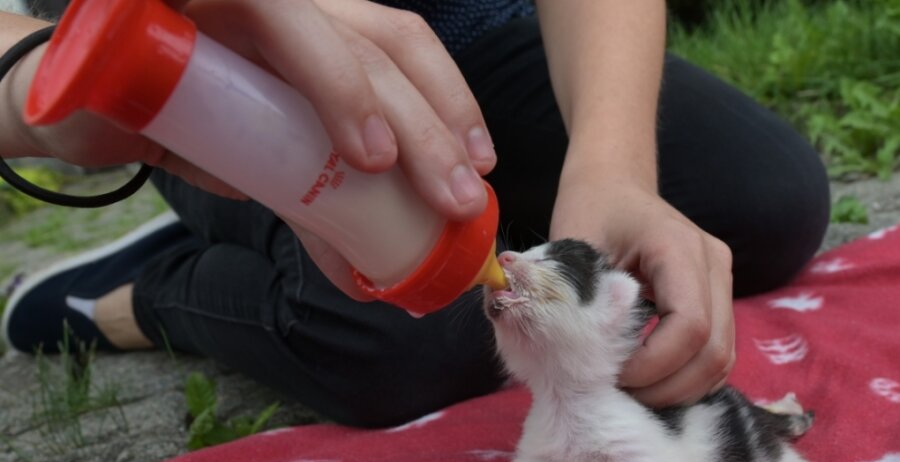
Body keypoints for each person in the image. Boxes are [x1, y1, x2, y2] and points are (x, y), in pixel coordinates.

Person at [0, 0, 830, 427]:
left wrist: (613, 168)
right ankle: (148, 292)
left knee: (766, 202)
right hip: (200, 78)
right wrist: (32, 84)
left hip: (473, 32)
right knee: (405, 342)